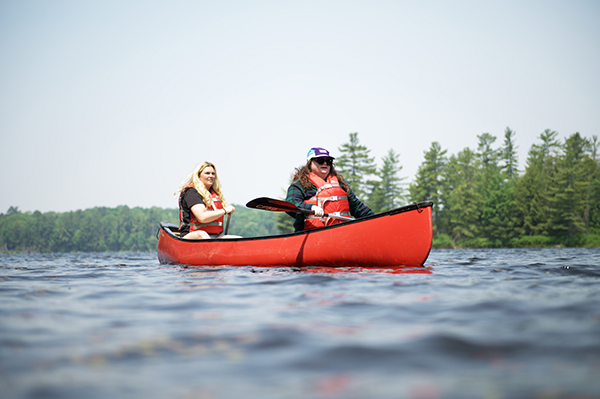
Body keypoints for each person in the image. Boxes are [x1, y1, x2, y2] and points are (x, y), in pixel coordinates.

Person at [285, 147, 374, 232]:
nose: (325, 164)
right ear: (309, 162)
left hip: (343, 232)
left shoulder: (339, 182)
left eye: (328, 161)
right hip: (313, 234)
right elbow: (290, 204)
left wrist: (376, 219)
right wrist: (311, 207)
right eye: (320, 160)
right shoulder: (300, 183)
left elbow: (357, 207)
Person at [175, 161, 237, 239]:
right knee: (202, 234)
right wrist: (224, 210)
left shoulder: (214, 193)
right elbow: (202, 217)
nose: (211, 176)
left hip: (213, 236)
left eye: (213, 173)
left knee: (237, 239)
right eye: (207, 173)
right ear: (199, 175)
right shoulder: (191, 192)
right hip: (192, 235)